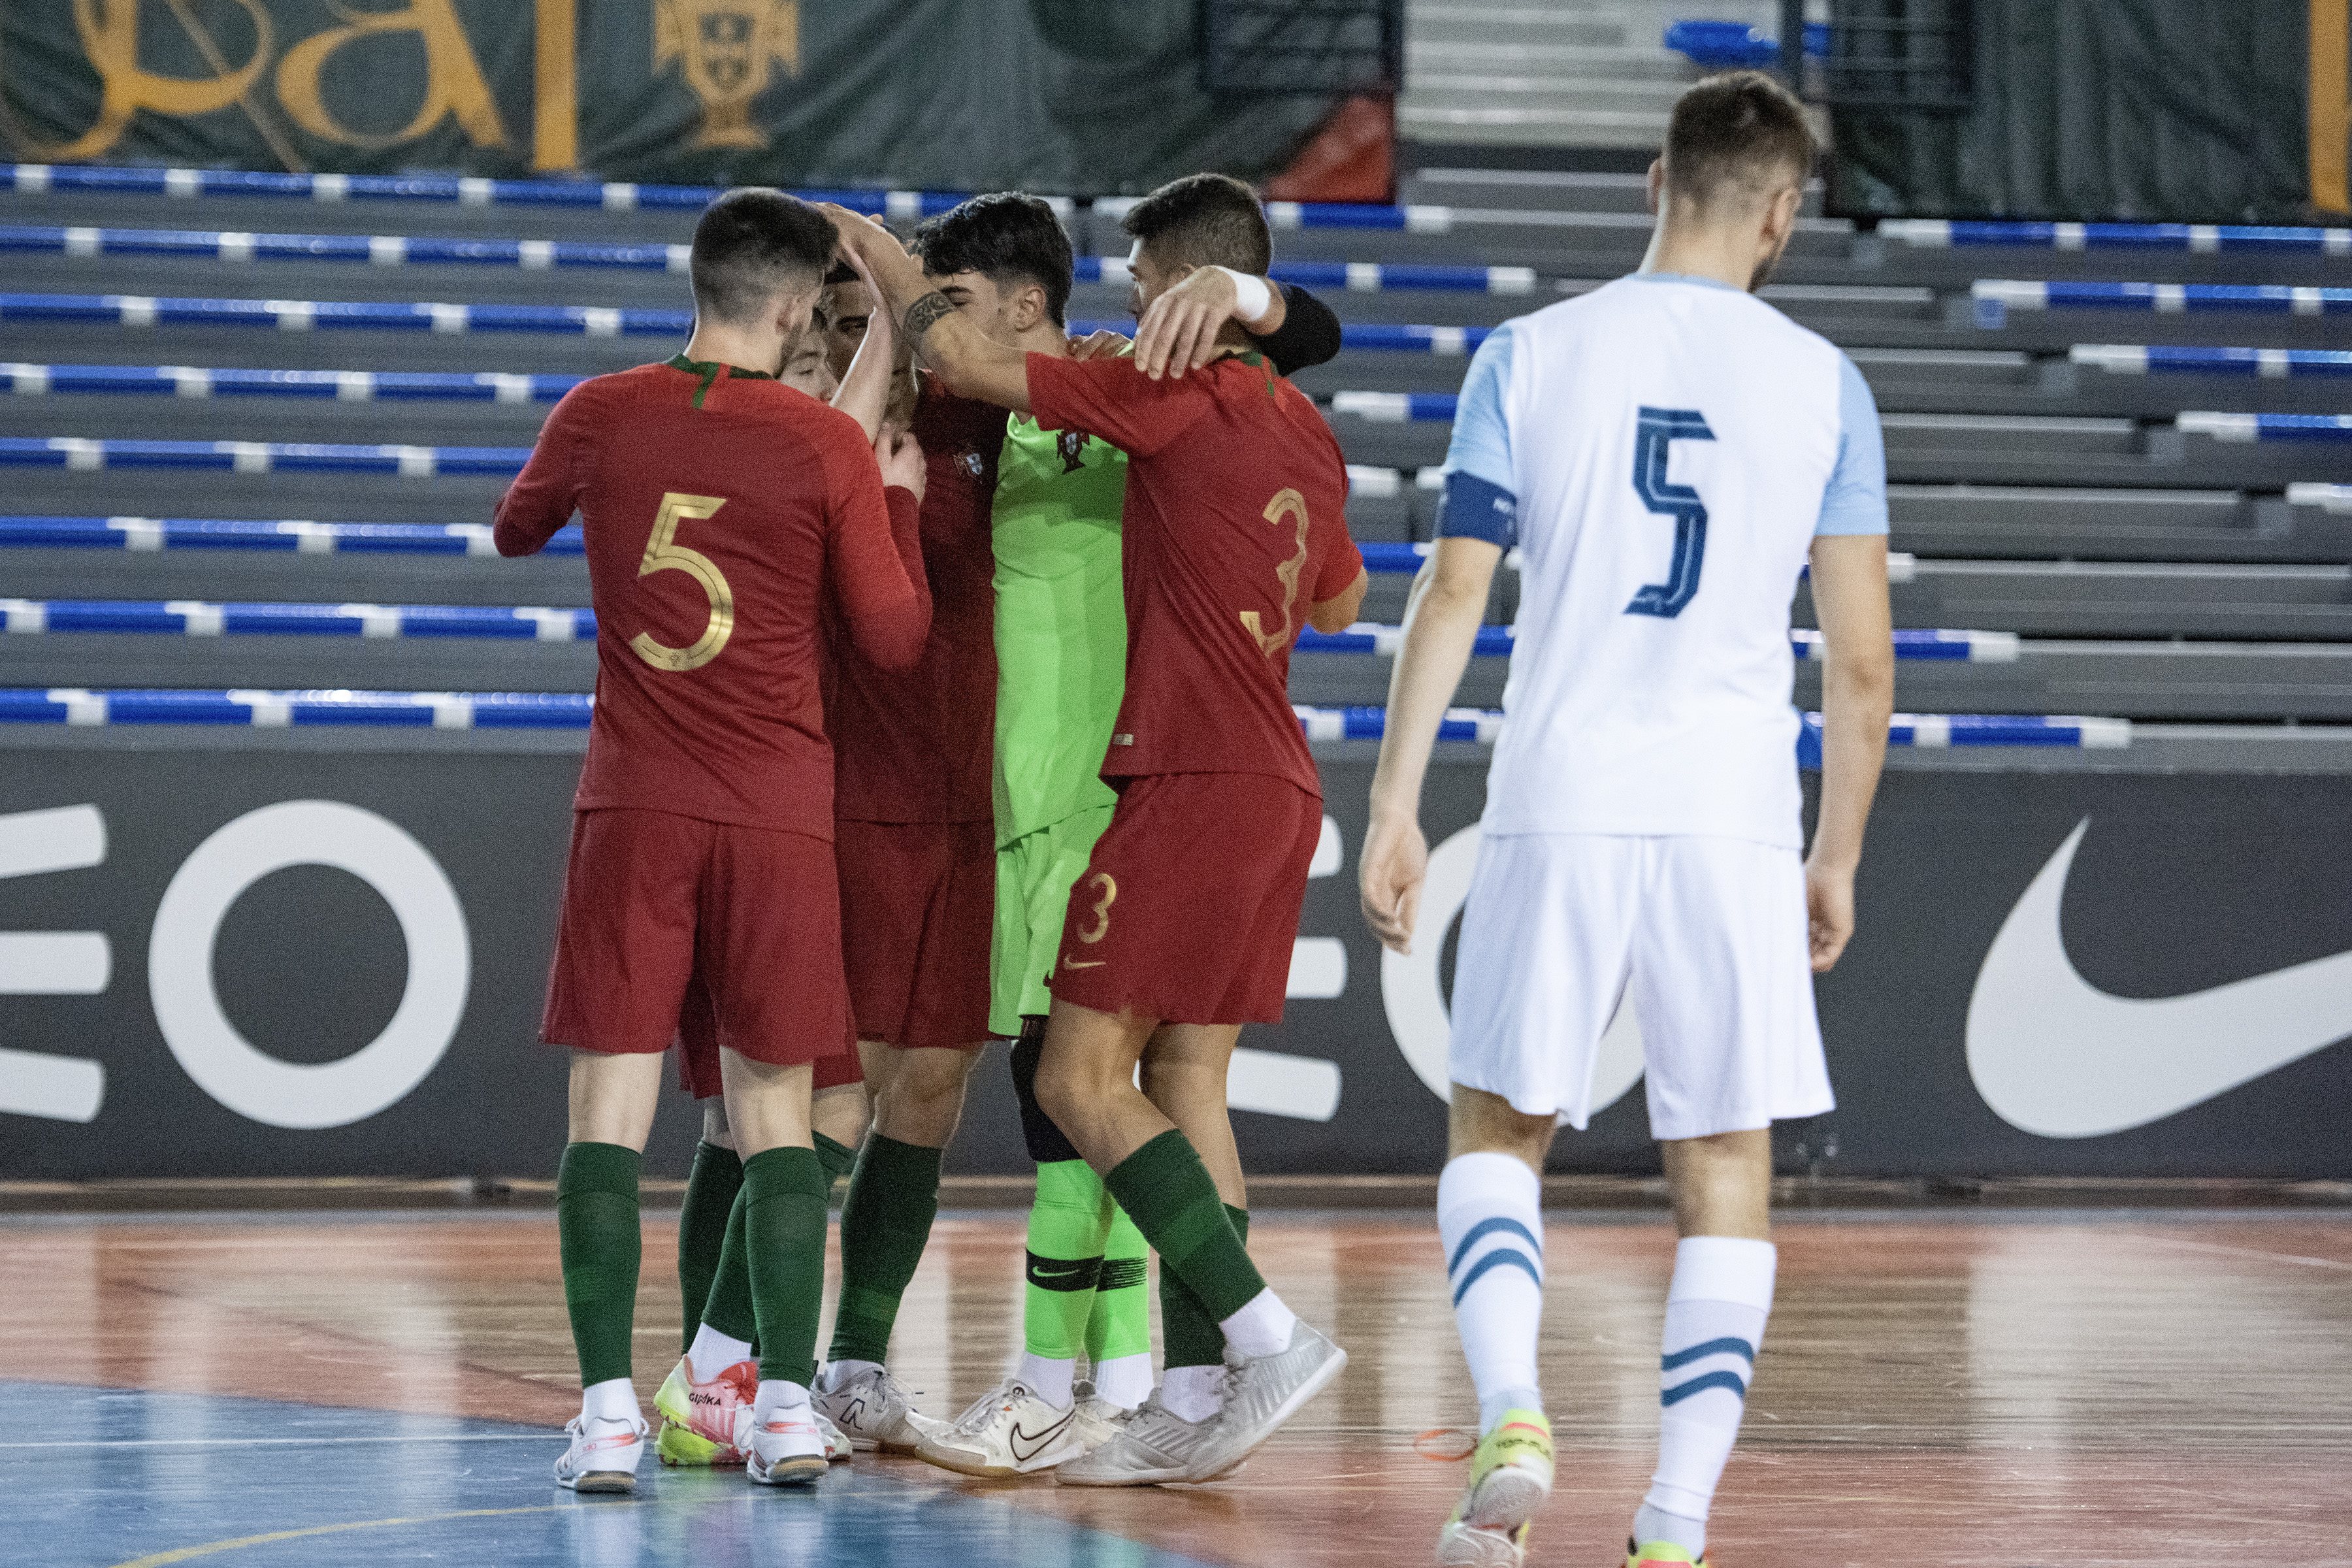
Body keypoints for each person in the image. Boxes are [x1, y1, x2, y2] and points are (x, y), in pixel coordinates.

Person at [1355, 71, 1895, 1568]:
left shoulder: (1530, 355)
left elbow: (1453, 587)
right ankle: (1672, 1527)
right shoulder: (1824, 383)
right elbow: (1860, 664)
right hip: (1730, 815)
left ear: (1654, 177)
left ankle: (1515, 1413)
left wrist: (1396, 799)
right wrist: (1834, 850)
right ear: (1784, 213)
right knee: (1725, 1167)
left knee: (1497, 1126)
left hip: (1563, 787)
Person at [827, 169, 1367, 1490]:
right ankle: (1179, 1389)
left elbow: (958, 343)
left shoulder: (1134, 395)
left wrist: (865, 248)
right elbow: (1341, 598)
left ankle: (1079, 1379)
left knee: (1076, 1090)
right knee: (1165, 1087)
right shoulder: (1257, 418)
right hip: (1136, 790)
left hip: (1143, 783)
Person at [493, 186, 932, 1494]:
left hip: (635, 804)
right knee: (777, 1115)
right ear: (798, 307)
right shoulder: (822, 450)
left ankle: (611, 1414)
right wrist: (897, 501)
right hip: (776, 816)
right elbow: (898, 640)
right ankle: (786, 1407)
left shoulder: (602, 411)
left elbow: (517, 529)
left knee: (608, 1116)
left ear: (701, 284)